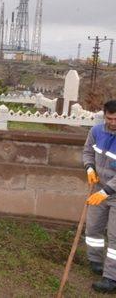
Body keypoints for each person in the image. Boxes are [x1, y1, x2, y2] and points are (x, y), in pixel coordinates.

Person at [83, 100, 116, 293]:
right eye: (109, 118)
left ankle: (111, 277)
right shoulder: (96, 131)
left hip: (112, 193)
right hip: (98, 188)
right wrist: (89, 168)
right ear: (104, 115)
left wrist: (106, 192)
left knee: (115, 236)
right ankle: (95, 260)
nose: (112, 122)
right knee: (93, 227)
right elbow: (87, 151)